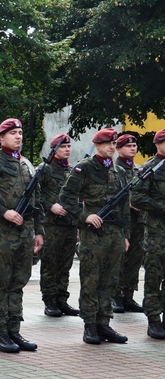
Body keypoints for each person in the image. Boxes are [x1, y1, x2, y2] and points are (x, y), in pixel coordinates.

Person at [0, 118, 44, 353]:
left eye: (20, 132)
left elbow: (36, 199)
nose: (18, 136)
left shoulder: (26, 163)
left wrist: (38, 231)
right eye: (12, 133)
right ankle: (0, 334)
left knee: (17, 284)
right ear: (0, 138)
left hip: (23, 235)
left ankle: (14, 331)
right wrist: (4, 212)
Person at [59, 128, 129, 345]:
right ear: (97, 145)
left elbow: (125, 206)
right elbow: (66, 197)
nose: (111, 147)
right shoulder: (84, 168)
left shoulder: (119, 171)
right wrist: (84, 216)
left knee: (111, 280)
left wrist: (125, 234)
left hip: (115, 234)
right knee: (91, 279)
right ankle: (90, 325)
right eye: (107, 143)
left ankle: (104, 323)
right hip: (94, 235)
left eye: (114, 143)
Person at [37, 133, 80, 318]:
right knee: (50, 264)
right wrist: (50, 206)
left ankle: (62, 300)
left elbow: (77, 197)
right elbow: (34, 194)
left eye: (69, 147)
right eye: (63, 147)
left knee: (65, 265)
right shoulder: (44, 169)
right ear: (54, 149)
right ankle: (50, 301)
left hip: (70, 225)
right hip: (51, 225)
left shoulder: (72, 170)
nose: (67, 150)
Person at [130, 129, 165, 339]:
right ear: (158, 144)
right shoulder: (150, 168)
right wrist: (162, 207)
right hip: (156, 234)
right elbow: (137, 198)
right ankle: (153, 319)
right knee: (154, 276)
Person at [113, 134, 145, 313]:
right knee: (120, 259)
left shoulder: (140, 170)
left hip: (139, 222)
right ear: (118, 149)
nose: (132, 148)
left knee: (134, 259)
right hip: (122, 221)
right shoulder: (115, 170)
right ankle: (116, 296)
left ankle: (129, 295)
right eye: (128, 146)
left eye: (134, 145)